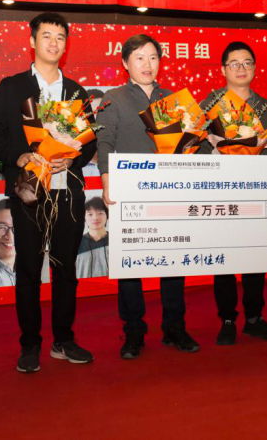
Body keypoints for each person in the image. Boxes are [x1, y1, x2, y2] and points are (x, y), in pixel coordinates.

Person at [0, 12, 96, 373]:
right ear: (32, 41)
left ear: (66, 45)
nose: (53, 43)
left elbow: (90, 142)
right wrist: (18, 156)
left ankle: (63, 340)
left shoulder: (76, 92)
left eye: (60, 37)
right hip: (29, 193)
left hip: (67, 194)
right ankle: (30, 344)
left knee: (65, 270)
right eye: (46, 36)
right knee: (29, 270)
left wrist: (74, 158)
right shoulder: (12, 87)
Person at [97, 34, 200, 359]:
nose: (147, 64)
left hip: (170, 190)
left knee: (174, 259)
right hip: (130, 191)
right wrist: (107, 181)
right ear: (125, 62)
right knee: (130, 265)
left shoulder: (172, 99)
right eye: (139, 57)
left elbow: (191, 142)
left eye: (153, 57)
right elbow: (105, 143)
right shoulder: (113, 98)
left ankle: (174, 327)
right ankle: (133, 331)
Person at [199, 42, 267, 345]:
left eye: (247, 63)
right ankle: (227, 319)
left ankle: (254, 318)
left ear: (254, 68)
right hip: (221, 192)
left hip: (256, 191)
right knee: (223, 258)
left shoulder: (264, 105)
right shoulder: (210, 104)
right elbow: (195, 146)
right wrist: (214, 149)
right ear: (223, 69)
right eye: (234, 63)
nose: (241, 68)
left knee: (255, 256)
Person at [76, 197, 109, 279]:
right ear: (84, 218)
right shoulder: (76, 243)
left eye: (100, 213)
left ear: (107, 216)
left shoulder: (116, 241)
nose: (95, 218)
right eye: (90, 214)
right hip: (84, 286)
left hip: (112, 286)